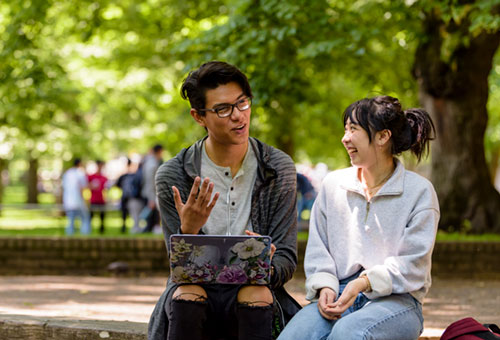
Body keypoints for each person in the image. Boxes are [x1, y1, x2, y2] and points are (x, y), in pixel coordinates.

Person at [148, 61, 300, 340]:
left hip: (256, 293)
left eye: (242, 103)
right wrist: (189, 230)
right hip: (197, 293)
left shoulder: (278, 167)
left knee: (255, 293)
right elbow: (179, 270)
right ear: (199, 116)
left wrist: (265, 266)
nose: (238, 116)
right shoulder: (173, 174)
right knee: (187, 294)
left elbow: (287, 259)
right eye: (223, 109)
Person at [278, 96, 440, 340]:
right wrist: (325, 286)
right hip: (338, 292)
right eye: (345, 129)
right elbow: (319, 249)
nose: (345, 138)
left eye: (353, 129)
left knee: (349, 333)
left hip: (398, 301)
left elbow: (414, 264)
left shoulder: (419, 192)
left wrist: (363, 283)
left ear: (383, 137)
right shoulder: (333, 185)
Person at [62, 158, 91, 235]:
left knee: (71, 219)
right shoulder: (80, 173)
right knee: (85, 217)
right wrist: (85, 199)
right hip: (78, 200)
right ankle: (85, 233)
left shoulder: (67, 173)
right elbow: (82, 187)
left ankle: (70, 233)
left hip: (68, 200)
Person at [140, 144, 163, 233]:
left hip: (150, 193)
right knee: (152, 216)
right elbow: (150, 182)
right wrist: (152, 199)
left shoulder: (150, 162)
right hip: (151, 193)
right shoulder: (152, 164)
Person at [88, 160, 108, 234]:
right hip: (93, 199)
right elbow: (86, 185)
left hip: (101, 199)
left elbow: (106, 189)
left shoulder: (104, 177)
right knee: (91, 215)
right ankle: (88, 229)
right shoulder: (91, 177)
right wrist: (92, 187)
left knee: (102, 216)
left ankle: (102, 230)